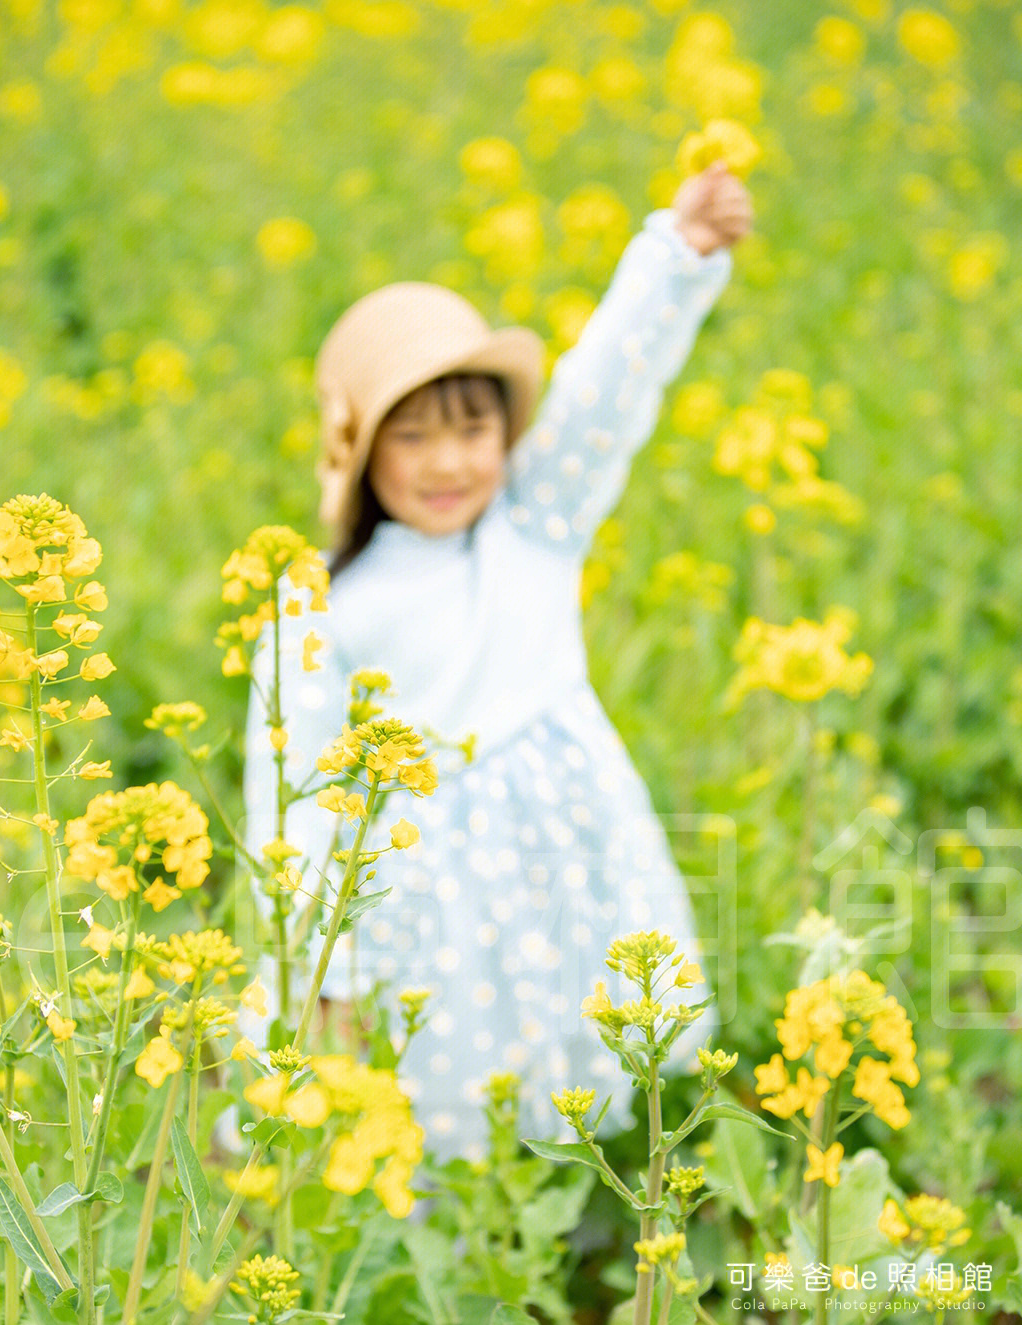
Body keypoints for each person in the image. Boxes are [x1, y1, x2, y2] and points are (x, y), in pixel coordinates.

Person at [242, 162, 752, 1162]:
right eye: (413, 435)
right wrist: (322, 969)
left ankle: (587, 1209)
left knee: (588, 1035)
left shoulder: (536, 521)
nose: (448, 463)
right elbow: (291, 793)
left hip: (573, 846)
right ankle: (469, 1237)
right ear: (360, 451)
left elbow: (609, 385)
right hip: (425, 890)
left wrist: (675, 255)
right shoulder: (320, 604)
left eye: (472, 429)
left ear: (507, 435)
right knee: (446, 1082)